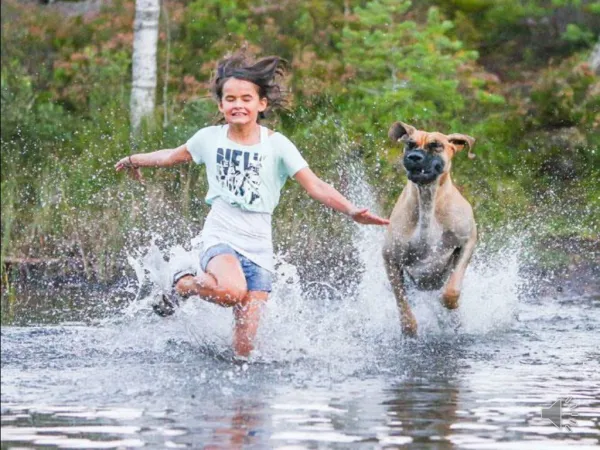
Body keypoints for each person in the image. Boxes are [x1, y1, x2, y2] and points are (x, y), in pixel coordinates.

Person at [115, 53, 389, 358]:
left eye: (246, 98)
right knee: (231, 291)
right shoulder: (209, 138)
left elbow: (316, 186)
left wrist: (352, 211)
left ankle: (241, 406)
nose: (238, 105)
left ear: (262, 104)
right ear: (220, 105)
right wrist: (133, 160)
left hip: (260, 248)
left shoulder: (278, 145)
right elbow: (169, 156)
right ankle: (183, 285)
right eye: (230, 99)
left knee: (244, 354)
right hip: (221, 235)